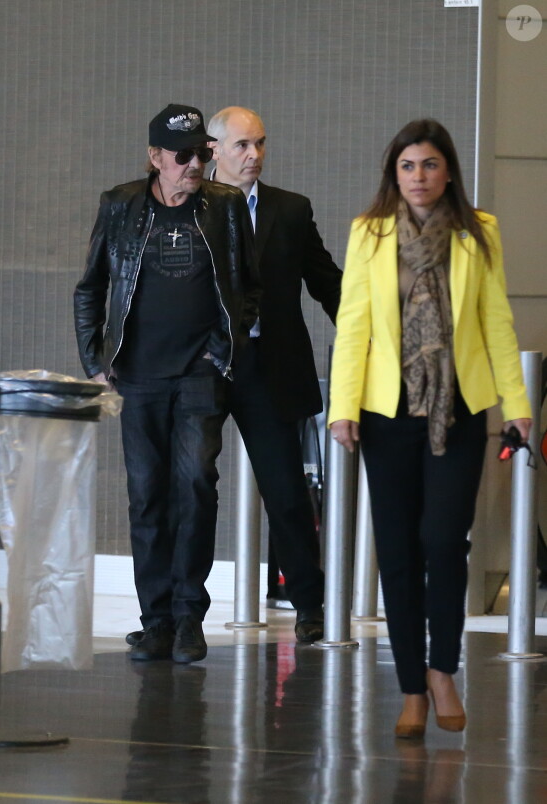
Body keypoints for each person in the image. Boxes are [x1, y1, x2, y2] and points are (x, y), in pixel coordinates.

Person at [329, 119, 532, 737]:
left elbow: (496, 321)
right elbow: (354, 325)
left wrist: (517, 403)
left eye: (430, 165)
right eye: (408, 166)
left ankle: (445, 669)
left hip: (460, 411)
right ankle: (412, 688)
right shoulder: (369, 234)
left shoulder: (479, 231)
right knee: (396, 550)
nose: (419, 177)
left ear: (449, 172)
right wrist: (342, 406)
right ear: (394, 174)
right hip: (386, 415)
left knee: (445, 542)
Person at [74, 104, 259, 664]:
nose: (195, 165)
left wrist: (224, 351)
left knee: (197, 485)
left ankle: (188, 617)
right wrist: (96, 362)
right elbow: (91, 288)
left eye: (202, 153)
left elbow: (251, 288)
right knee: (147, 496)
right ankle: (154, 620)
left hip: (200, 374)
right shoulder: (121, 205)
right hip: (138, 377)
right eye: (181, 156)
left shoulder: (224, 208)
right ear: (155, 158)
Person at [207, 106, 342, 642]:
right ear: (213, 149)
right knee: (191, 486)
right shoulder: (188, 207)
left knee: (287, 492)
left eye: (260, 144)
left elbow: (327, 282)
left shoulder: (290, 210)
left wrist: (374, 337)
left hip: (268, 368)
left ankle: (310, 606)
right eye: (242, 145)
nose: (254, 155)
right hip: (204, 365)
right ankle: (175, 614)